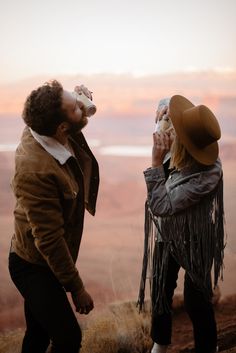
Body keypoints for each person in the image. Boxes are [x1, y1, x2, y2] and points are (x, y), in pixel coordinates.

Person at [8, 80, 99, 353]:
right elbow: (49, 239)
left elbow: (70, 112)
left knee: (37, 335)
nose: (79, 106)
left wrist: (79, 101)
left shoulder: (44, 123)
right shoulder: (36, 171)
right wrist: (76, 287)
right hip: (33, 265)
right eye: (75, 107)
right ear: (63, 128)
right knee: (69, 339)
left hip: (45, 262)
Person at [138, 95, 225, 353]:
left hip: (196, 238)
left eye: (174, 129)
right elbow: (167, 104)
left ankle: (208, 347)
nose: (168, 130)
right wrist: (161, 110)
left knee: (196, 300)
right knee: (161, 290)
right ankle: (160, 343)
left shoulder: (207, 174)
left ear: (187, 142)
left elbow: (162, 207)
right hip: (168, 235)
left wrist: (155, 162)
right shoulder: (181, 145)